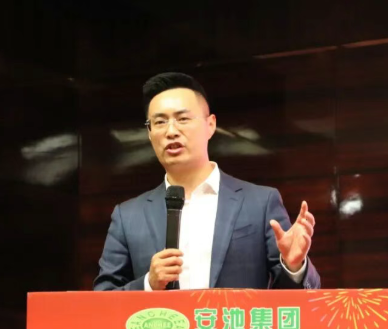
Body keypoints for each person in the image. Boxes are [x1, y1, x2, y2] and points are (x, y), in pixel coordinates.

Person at [93, 72, 320, 291]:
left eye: (183, 119)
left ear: (210, 125)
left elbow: (293, 301)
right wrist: (149, 285)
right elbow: (102, 297)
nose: (171, 131)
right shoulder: (128, 217)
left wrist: (294, 267)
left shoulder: (260, 203)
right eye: (159, 122)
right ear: (150, 133)